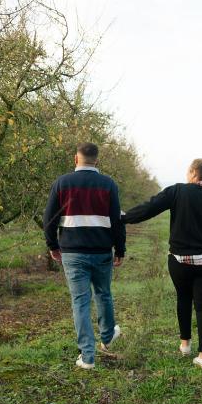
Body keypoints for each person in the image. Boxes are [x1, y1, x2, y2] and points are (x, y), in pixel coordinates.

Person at [122, 155, 202, 369]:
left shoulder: (177, 191)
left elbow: (149, 208)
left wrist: (124, 217)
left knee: (183, 298)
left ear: (192, 173)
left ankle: (185, 345)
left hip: (181, 261)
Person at [43, 142, 125, 370]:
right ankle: (107, 336)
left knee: (80, 301)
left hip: (72, 251)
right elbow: (117, 221)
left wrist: (52, 244)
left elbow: (48, 219)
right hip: (101, 251)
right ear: (96, 160)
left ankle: (87, 356)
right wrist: (120, 249)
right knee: (103, 294)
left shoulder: (62, 183)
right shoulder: (108, 184)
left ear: (75, 158)